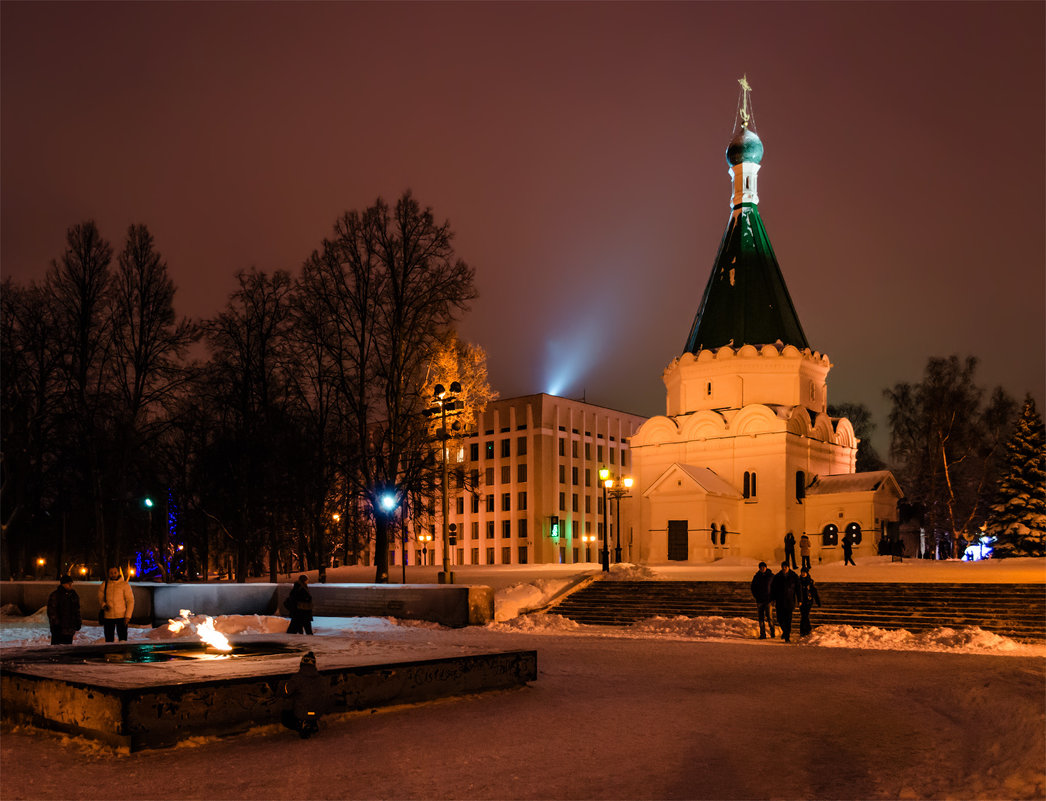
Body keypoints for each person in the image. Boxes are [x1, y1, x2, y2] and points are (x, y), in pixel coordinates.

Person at [281, 651, 326, 738]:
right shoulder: (321, 679)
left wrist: (284, 684)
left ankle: (302, 724)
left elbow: (285, 692)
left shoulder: (297, 678)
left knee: (286, 717)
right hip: (317, 713)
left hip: (302, 713)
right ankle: (312, 723)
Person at [98, 566, 134, 642]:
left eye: (115, 572)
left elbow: (130, 601)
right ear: (108, 574)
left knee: (123, 638)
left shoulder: (124, 585)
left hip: (121, 616)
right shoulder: (104, 584)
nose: (113, 574)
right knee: (109, 639)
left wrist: (128, 616)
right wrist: (103, 605)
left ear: (118, 573)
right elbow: (100, 597)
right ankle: (109, 653)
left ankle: (123, 652)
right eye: (111, 573)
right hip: (108, 616)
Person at [770, 561, 801, 642]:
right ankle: (785, 631)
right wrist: (772, 599)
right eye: (783, 567)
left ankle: (787, 636)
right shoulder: (777, 576)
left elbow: (798, 589)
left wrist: (800, 600)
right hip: (779, 601)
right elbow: (773, 589)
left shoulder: (794, 576)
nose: (784, 568)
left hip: (789, 601)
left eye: (786, 567)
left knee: (788, 619)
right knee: (780, 619)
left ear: (788, 567)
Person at [47, 575, 82, 645]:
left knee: (67, 648)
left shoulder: (73, 595)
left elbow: (76, 610)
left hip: (69, 629)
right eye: (69, 584)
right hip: (59, 629)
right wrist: (56, 625)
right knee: (57, 649)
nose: (70, 585)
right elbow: (52, 612)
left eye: (71, 584)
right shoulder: (56, 595)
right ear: (63, 584)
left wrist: (78, 621)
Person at [750, 561, 775, 639]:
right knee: (761, 619)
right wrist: (756, 596)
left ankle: (772, 632)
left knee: (769, 618)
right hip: (760, 600)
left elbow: (775, 587)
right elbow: (753, 588)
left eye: (763, 567)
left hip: (768, 600)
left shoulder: (771, 576)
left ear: (766, 567)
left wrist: (773, 598)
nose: (762, 569)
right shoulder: (756, 577)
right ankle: (762, 634)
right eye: (761, 567)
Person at [798, 567, 822, 637]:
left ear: (807, 573)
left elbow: (814, 592)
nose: (803, 574)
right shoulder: (798, 581)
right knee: (804, 615)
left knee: (805, 615)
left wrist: (818, 601)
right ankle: (807, 629)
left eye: (804, 572)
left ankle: (803, 630)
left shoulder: (810, 581)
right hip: (801, 601)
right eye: (802, 572)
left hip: (808, 601)